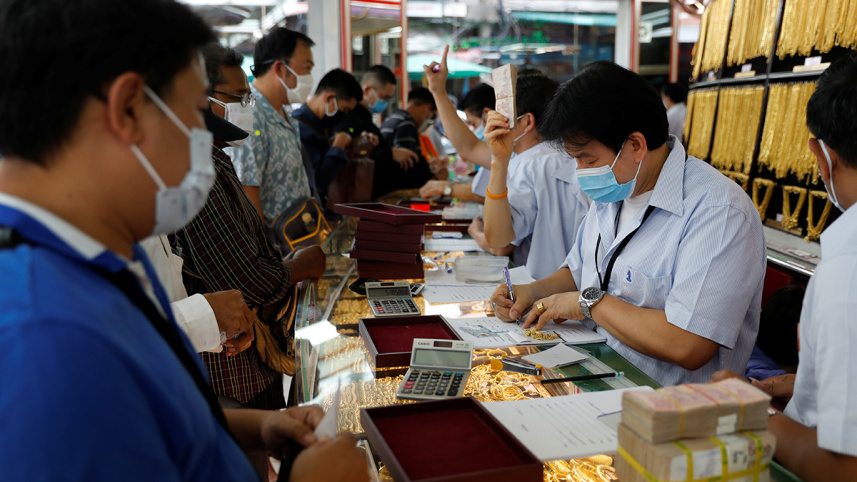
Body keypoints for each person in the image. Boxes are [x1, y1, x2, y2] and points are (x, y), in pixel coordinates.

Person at [0, 1, 365, 481]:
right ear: (129, 109)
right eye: (195, 115)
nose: (204, 144)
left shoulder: (110, 255)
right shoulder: (47, 342)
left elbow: (156, 416)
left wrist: (259, 427)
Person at [491, 61, 766, 386]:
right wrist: (531, 292)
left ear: (635, 145)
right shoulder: (618, 188)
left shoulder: (717, 211)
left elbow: (688, 344)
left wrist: (589, 304)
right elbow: (578, 272)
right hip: (591, 370)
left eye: (588, 160)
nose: (580, 172)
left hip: (661, 401)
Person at [171, 42, 326, 414]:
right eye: (239, 97)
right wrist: (299, 265)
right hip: (232, 371)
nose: (247, 106)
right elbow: (246, 279)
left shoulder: (215, 157)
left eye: (248, 97)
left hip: (242, 353)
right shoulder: (196, 171)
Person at [761, 52, 857, 480]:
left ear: (822, 155)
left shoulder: (847, 274)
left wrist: (754, 411)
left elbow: (843, 469)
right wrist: (805, 386)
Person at [478, 75, 591, 279]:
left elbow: (499, 241)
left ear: (527, 121)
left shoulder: (531, 165)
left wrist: (498, 162)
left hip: (546, 286)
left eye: (504, 119)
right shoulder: (570, 156)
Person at [232, 27, 316, 227]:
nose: (310, 77)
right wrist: (262, 246)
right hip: (274, 242)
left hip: (298, 235)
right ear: (280, 69)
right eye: (306, 68)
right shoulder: (251, 117)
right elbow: (248, 195)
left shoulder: (281, 111)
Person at [334, 65, 422, 198]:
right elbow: (353, 157)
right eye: (384, 97)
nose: (385, 103)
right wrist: (390, 154)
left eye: (389, 99)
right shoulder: (349, 117)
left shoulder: (367, 120)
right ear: (367, 90)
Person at [293, 68, 362, 203]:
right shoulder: (301, 130)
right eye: (344, 110)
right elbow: (318, 182)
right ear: (330, 99)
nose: (344, 116)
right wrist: (337, 147)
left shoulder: (322, 126)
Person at [380, 87, 447, 192]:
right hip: (396, 192)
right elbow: (408, 166)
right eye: (431, 116)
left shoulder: (391, 118)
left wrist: (428, 165)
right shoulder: (407, 123)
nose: (428, 120)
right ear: (427, 108)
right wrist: (435, 177)